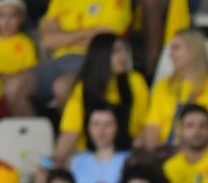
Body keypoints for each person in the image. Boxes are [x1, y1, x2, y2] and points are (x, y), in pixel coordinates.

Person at [0, 0, 132, 117]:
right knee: (13, 87)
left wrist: (63, 37)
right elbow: (47, 40)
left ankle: (73, 137)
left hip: (94, 60)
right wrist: (87, 32)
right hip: (57, 62)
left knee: (62, 87)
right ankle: (37, 139)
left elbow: (104, 39)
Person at [52, 33, 149, 164]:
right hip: (90, 157)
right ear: (101, 55)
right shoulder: (83, 88)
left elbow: (143, 124)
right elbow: (70, 132)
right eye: (116, 51)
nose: (123, 56)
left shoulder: (135, 81)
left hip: (125, 154)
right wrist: (55, 159)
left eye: (125, 50)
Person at [142, 28, 208, 151]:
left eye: (176, 48)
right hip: (164, 152)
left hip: (199, 154)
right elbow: (152, 127)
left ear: (193, 51)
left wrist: (187, 155)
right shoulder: (163, 85)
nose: (170, 54)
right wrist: (155, 154)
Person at [61, 103, 130, 183]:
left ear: (118, 128)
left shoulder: (129, 160)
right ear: (88, 127)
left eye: (108, 125)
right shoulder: (75, 160)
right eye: (95, 124)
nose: (101, 131)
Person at [0, 0, 36, 80]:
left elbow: (31, 70)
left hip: (16, 82)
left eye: (12, 16)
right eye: (2, 16)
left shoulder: (25, 42)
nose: (6, 21)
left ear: (20, 19)